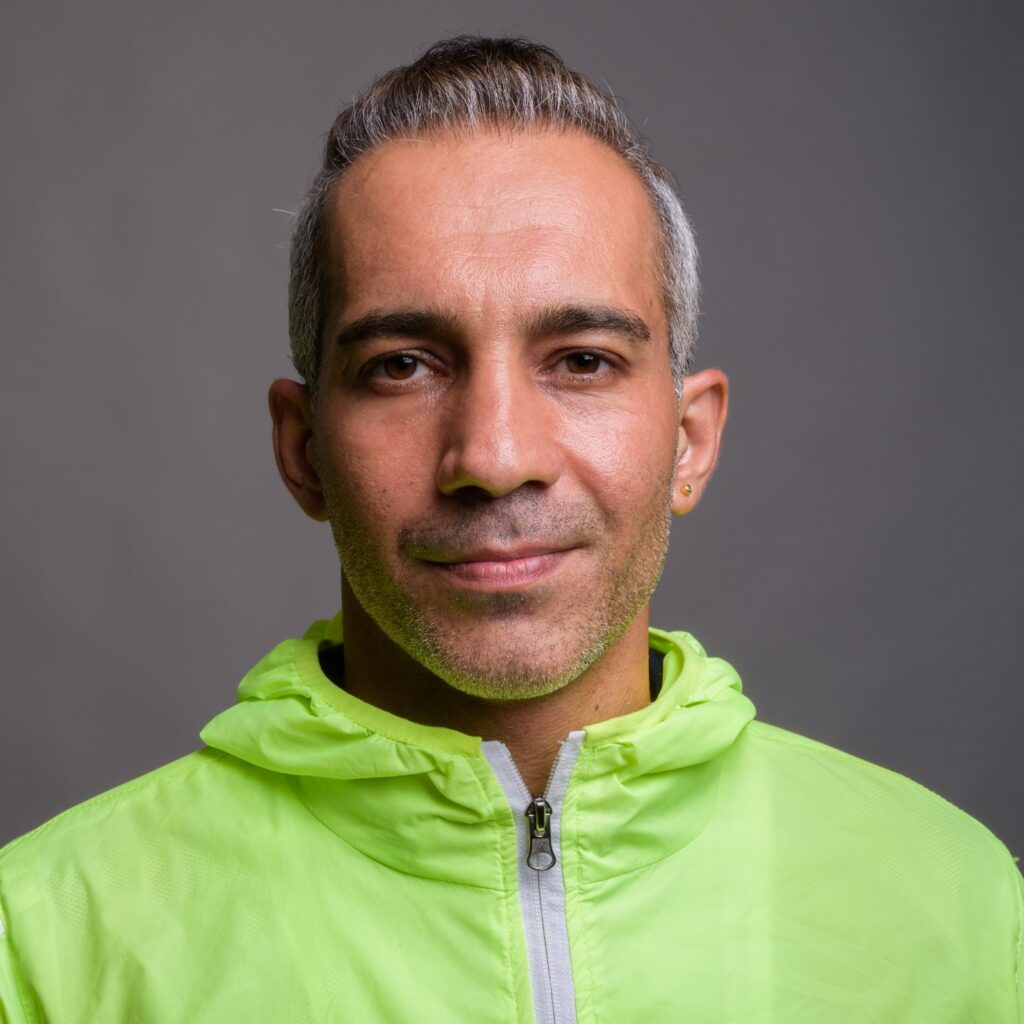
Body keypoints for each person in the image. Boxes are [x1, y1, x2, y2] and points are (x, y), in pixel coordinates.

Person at [0, 35, 1020, 1023]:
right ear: (303, 449)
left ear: (690, 440)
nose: (492, 456)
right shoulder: (44, 944)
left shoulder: (962, 908)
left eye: (581, 360)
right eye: (403, 365)